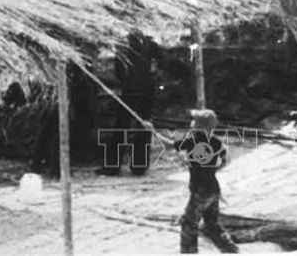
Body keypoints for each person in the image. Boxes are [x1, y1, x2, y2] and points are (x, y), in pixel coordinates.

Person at [98, 31, 163, 176]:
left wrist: (127, 82)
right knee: (141, 126)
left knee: (124, 127)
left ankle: (114, 166)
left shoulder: (125, 46)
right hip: (143, 90)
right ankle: (138, 166)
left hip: (132, 90)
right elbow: (161, 63)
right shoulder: (148, 44)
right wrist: (152, 76)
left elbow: (119, 70)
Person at [174, 109, 238, 253]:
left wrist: (151, 130)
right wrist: (213, 170)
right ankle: (231, 250)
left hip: (200, 191)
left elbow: (169, 145)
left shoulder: (192, 140)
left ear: (199, 125)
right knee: (212, 225)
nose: (192, 122)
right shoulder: (216, 142)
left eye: (194, 121)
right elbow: (226, 159)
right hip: (213, 189)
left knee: (189, 224)